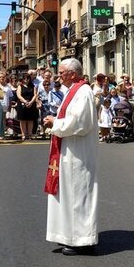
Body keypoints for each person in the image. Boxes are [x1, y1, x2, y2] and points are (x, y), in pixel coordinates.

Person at [42, 58, 98, 255]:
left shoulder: (83, 92)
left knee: (79, 196)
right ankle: (69, 235)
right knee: (68, 196)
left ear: (73, 74)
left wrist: (54, 123)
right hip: (69, 151)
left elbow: (80, 123)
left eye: (62, 72)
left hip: (78, 154)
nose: (59, 75)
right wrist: (57, 121)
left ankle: (83, 241)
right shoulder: (72, 91)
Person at [16, 73, 38, 140]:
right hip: (22, 104)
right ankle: (23, 134)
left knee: (30, 119)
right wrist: (25, 102)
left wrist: (31, 102)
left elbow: (35, 95)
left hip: (31, 103)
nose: (26, 80)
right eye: (24, 78)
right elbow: (19, 95)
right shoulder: (20, 86)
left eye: (27, 78)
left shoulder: (33, 86)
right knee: (23, 120)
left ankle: (30, 134)